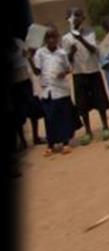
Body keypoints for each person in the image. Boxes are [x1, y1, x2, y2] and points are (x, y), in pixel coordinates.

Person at [62, 7, 109, 145]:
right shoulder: (66, 38)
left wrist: (81, 39)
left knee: (100, 100)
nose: (75, 18)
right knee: (82, 104)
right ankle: (88, 131)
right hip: (79, 74)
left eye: (78, 15)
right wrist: (71, 52)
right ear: (68, 19)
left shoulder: (89, 33)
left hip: (93, 71)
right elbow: (68, 60)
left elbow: (94, 51)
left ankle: (105, 126)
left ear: (83, 18)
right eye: (72, 16)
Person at [28, 25, 79, 156]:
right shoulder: (40, 53)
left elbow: (68, 68)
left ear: (58, 38)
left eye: (54, 37)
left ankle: (65, 142)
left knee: (63, 117)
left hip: (61, 90)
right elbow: (37, 71)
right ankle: (51, 144)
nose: (51, 40)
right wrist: (29, 59)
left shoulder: (62, 53)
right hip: (48, 91)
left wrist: (63, 72)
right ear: (44, 39)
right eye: (48, 37)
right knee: (50, 118)